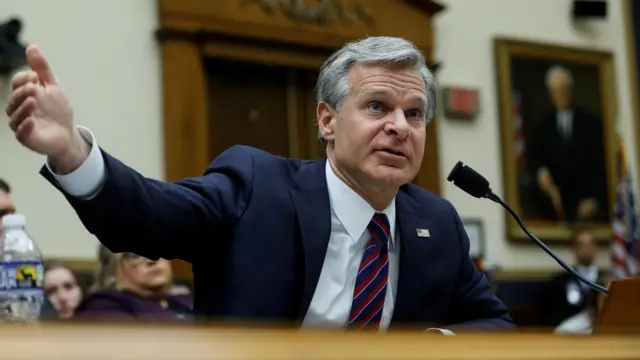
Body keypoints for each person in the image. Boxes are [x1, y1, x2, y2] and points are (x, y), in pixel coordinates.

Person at [5, 37, 514, 331]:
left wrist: (435, 341)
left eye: (414, 114)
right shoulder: (257, 185)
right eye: (377, 106)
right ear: (328, 120)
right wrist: (71, 150)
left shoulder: (436, 222)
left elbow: (495, 326)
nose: (399, 127)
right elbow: (148, 216)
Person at [528, 65, 608, 222]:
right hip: (555, 206)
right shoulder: (544, 126)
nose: (560, 94)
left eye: (563, 89)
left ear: (571, 90)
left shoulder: (589, 122)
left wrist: (595, 200)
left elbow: (600, 165)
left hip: (587, 203)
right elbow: (536, 159)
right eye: (555, 90)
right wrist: (541, 173)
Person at [76, 249, 192, 320]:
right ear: (110, 272)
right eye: (135, 255)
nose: (152, 260)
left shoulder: (185, 300)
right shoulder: (102, 306)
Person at [545, 226, 605, 326]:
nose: (586, 249)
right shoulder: (560, 281)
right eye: (581, 245)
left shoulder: (607, 280)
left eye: (590, 244)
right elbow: (555, 316)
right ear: (573, 248)